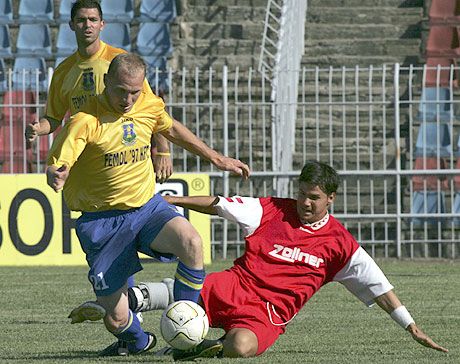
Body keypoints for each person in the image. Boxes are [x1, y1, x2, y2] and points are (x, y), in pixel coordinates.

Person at [107, 160, 447, 360]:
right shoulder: (272, 209)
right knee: (192, 288)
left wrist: (411, 326)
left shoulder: (341, 246)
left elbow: (380, 289)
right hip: (234, 286)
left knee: (240, 347)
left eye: (313, 198)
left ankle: (194, 346)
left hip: (268, 314)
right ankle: (123, 303)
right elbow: (219, 204)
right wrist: (173, 198)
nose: (305, 203)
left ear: (330, 199)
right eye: (301, 194)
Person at [45, 52, 250, 357]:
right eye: (120, 91)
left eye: (134, 92)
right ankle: (138, 341)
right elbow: (61, 159)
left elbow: (172, 128)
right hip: (102, 222)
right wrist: (57, 173)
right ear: (105, 82)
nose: (127, 99)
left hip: (146, 209)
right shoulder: (85, 119)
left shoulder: (148, 105)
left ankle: (186, 336)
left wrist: (217, 158)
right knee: (115, 319)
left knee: (191, 242)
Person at [25, 0, 173, 184]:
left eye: (93, 19)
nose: (88, 25)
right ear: (71, 25)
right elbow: (54, 119)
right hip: (85, 160)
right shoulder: (63, 71)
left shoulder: (119, 62)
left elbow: (152, 107)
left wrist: (163, 150)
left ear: (102, 25)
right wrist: (39, 128)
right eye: (81, 20)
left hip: (120, 157)